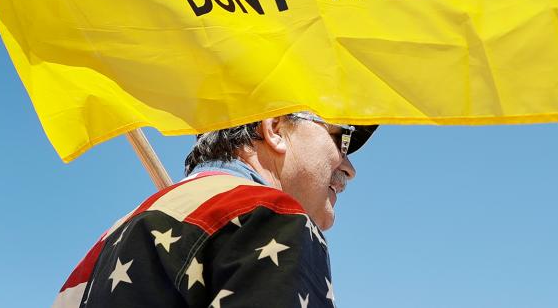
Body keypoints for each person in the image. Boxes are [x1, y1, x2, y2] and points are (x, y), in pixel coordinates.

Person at [54, 112, 376, 307]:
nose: (350, 168)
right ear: (275, 128)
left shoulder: (110, 240)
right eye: (342, 139)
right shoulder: (273, 219)